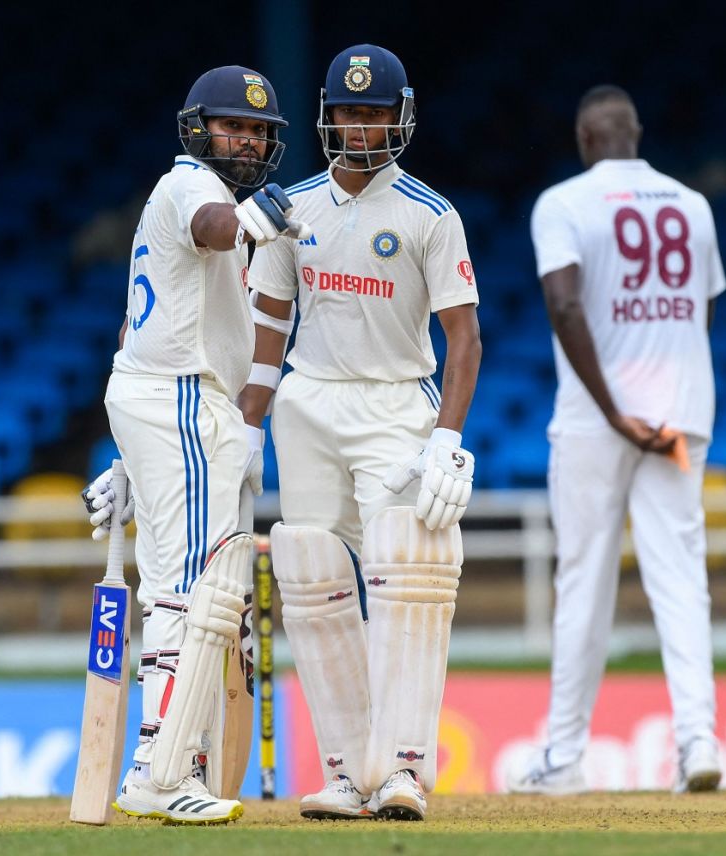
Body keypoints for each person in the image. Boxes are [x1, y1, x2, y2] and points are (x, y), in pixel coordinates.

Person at [238, 44, 482, 822]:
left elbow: (464, 338)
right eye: (349, 112)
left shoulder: (430, 214)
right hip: (308, 404)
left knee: (408, 574)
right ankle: (347, 771)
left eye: (374, 112)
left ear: (399, 117)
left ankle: (405, 767)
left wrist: (446, 436)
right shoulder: (292, 207)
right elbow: (269, 320)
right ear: (327, 116)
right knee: (312, 576)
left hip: (394, 405)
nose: (361, 126)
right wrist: (249, 425)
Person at [81, 64, 308, 824]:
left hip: (164, 397)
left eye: (257, 130)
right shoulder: (194, 190)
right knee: (188, 589)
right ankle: (157, 771)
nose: (244, 139)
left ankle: (162, 752)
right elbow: (216, 231)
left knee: (182, 586)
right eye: (231, 125)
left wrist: (130, 459)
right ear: (197, 129)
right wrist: (255, 221)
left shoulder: (195, 195)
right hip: (180, 397)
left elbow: (136, 327)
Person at [507, 85, 725, 796]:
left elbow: (565, 305)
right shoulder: (693, 205)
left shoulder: (563, 203)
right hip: (679, 419)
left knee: (583, 583)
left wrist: (613, 409)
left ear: (584, 137)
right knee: (680, 576)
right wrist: (670, 395)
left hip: (596, 420)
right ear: (637, 131)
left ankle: (563, 759)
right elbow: (703, 309)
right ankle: (698, 742)